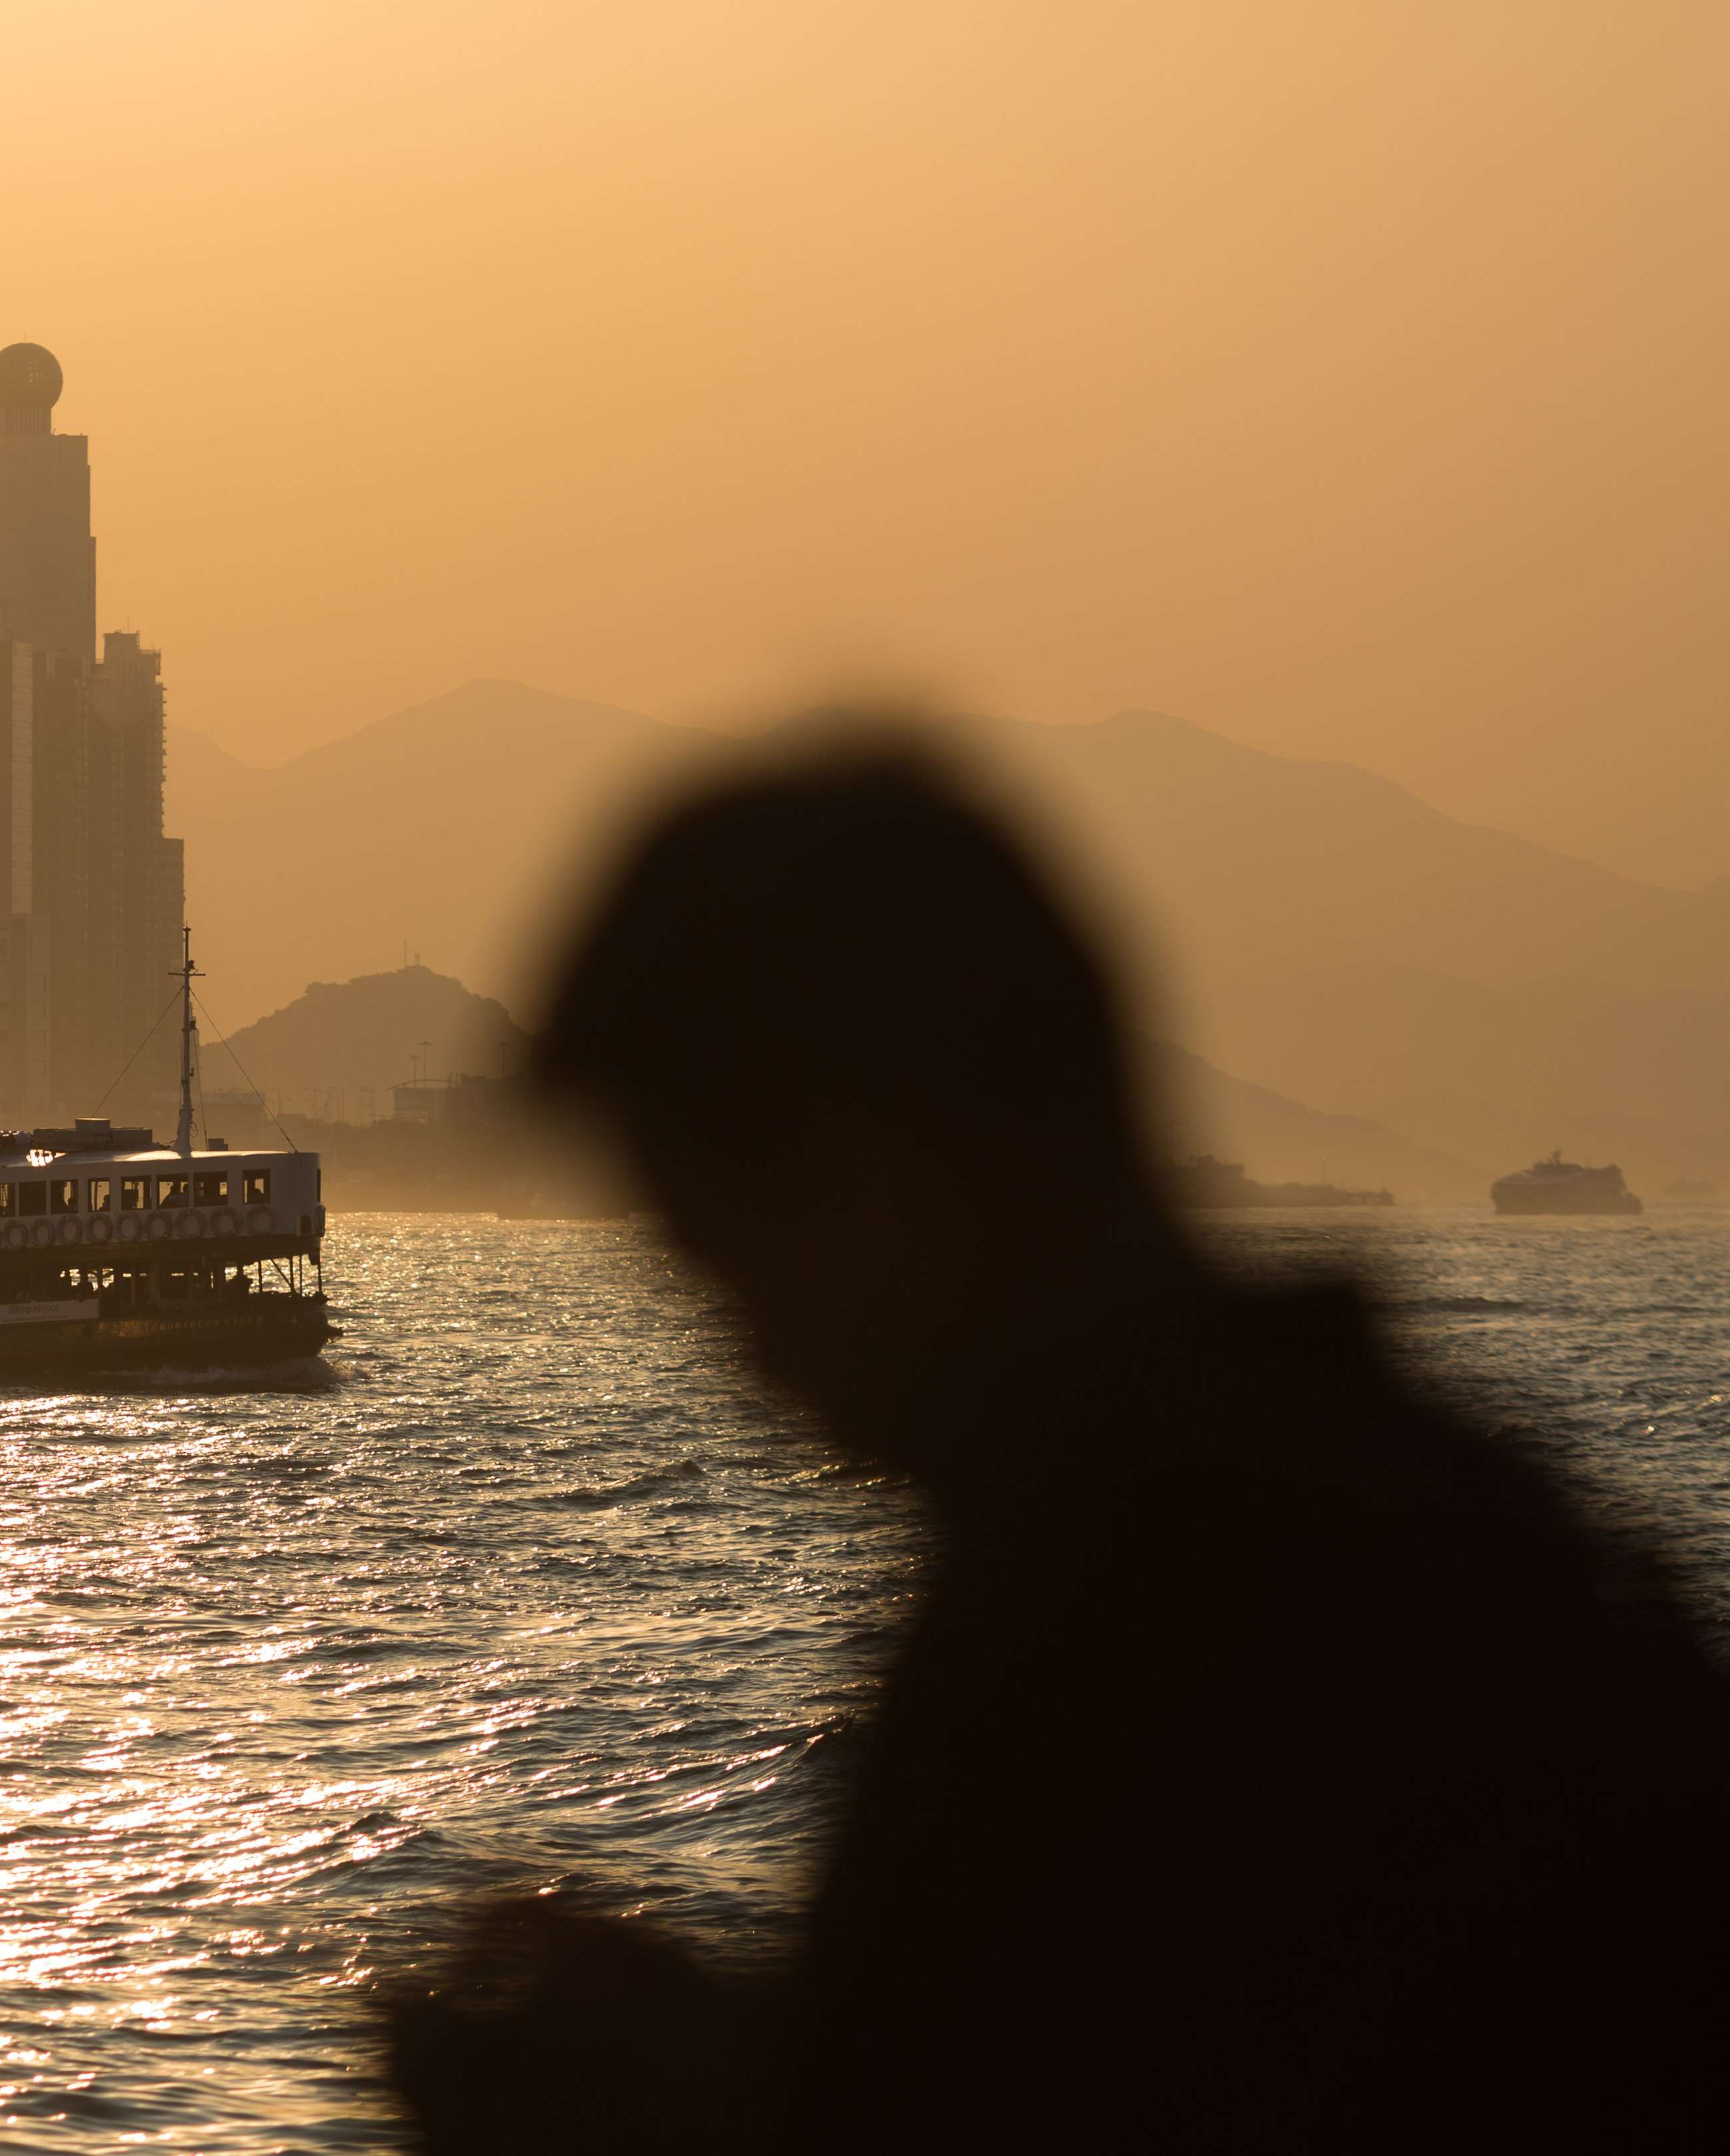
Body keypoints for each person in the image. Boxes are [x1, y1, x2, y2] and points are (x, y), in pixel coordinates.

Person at [385, 732, 1730, 2151]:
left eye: (726, 1251)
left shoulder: (1124, 1626)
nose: (742, 1346)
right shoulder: (1446, 1526)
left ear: (895, 1164)